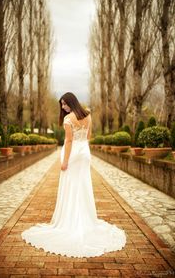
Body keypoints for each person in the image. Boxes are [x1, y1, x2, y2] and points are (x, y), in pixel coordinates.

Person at [21, 92, 126, 257]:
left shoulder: (68, 119)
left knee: (71, 186)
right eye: (62, 104)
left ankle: (71, 221)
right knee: (83, 185)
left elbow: (69, 141)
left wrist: (65, 161)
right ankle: (86, 219)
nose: (63, 107)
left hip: (74, 154)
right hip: (85, 153)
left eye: (64, 103)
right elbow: (89, 136)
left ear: (71, 102)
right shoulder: (88, 115)